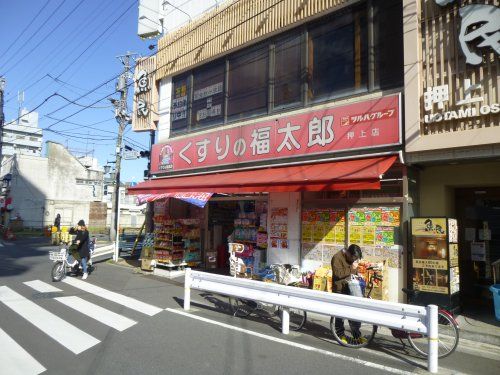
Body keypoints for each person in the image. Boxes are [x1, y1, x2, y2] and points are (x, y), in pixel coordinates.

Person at [331, 244, 363, 343]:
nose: (354, 260)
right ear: (348, 253)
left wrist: (357, 274)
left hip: (350, 289)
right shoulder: (337, 257)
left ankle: (356, 335)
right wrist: (352, 269)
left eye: (356, 258)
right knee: (339, 315)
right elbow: (337, 274)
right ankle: (340, 335)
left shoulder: (351, 258)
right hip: (340, 289)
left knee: (353, 313)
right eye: (353, 257)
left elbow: (353, 271)